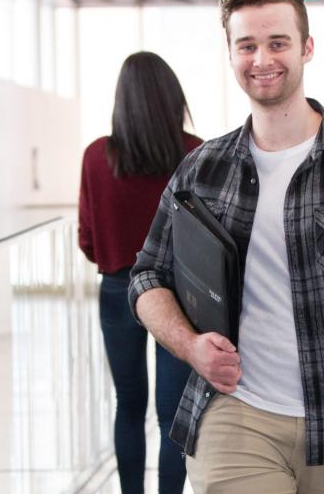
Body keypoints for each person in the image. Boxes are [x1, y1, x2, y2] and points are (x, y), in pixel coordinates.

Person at [127, 0, 324, 494]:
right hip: (235, 416)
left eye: (277, 43)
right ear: (232, 53)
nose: (262, 60)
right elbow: (147, 275)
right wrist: (191, 347)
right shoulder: (202, 169)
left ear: (307, 47)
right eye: (247, 46)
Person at [78, 51, 202, 494]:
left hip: (117, 289)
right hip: (180, 296)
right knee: (173, 414)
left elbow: (88, 240)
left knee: (128, 404)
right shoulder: (194, 153)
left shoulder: (97, 157)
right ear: (172, 97)